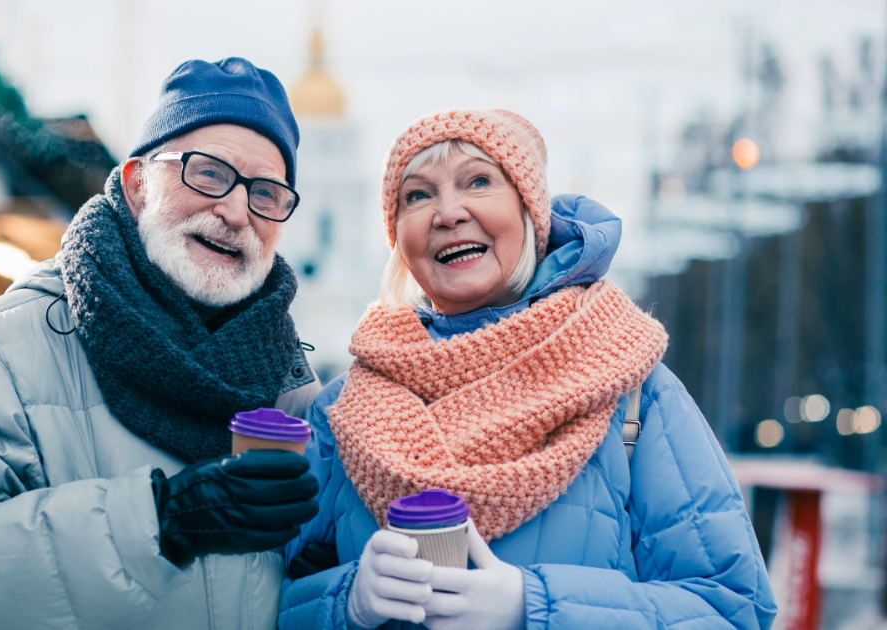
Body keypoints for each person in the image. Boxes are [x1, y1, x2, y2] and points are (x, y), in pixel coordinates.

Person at [278, 109, 777, 630]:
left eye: (478, 181)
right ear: (399, 237)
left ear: (529, 211)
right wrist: (343, 601)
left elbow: (732, 608)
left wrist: (533, 605)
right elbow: (254, 599)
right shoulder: (342, 411)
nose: (448, 213)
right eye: (417, 196)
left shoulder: (631, 389)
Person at [0, 57, 323, 630]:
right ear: (137, 185)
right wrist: (160, 523)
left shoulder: (290, 383)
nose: (236, 211)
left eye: (267, 194)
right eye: (209, 174)